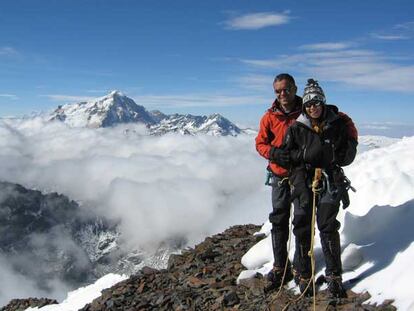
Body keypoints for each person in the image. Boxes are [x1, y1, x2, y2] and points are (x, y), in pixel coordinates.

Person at [279, 79, 358, 298]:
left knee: (327, 225)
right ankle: (304, 274)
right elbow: (287, 157)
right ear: (304, 106)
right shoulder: (297, 128)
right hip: (303, 179)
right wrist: (301, 161)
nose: (312, 107)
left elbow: (345, 155)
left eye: (316, 102)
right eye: (308, 104)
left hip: (329, 178)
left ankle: (334, 276)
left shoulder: (336, 125)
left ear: (323, 102)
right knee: (303, 224)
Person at [255, 73, 303, 289]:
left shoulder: (307, 111)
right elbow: (260, 143)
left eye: (286, 89)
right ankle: (280, 266)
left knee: (302, 221)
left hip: (303, 176)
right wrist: (274, 153)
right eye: (278, 91)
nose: (283, 94)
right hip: (279, 176)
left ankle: (302, 268)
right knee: (279, 221)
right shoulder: (269, 117)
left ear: (294, 88)